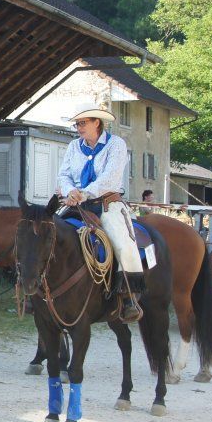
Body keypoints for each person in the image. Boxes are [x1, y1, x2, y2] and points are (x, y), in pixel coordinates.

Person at [57, 105, 143, 323]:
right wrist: (70, 191)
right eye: (77, 124)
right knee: (47, 231)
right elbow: (63, 175)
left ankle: (129, 298)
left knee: (124, 244)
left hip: (106, 204)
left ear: (97, 122)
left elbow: (110, 178)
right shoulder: (74, 146)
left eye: (82, 123)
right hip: (75, 203)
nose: (78, 128)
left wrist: (83, 193)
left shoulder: (116, 145)